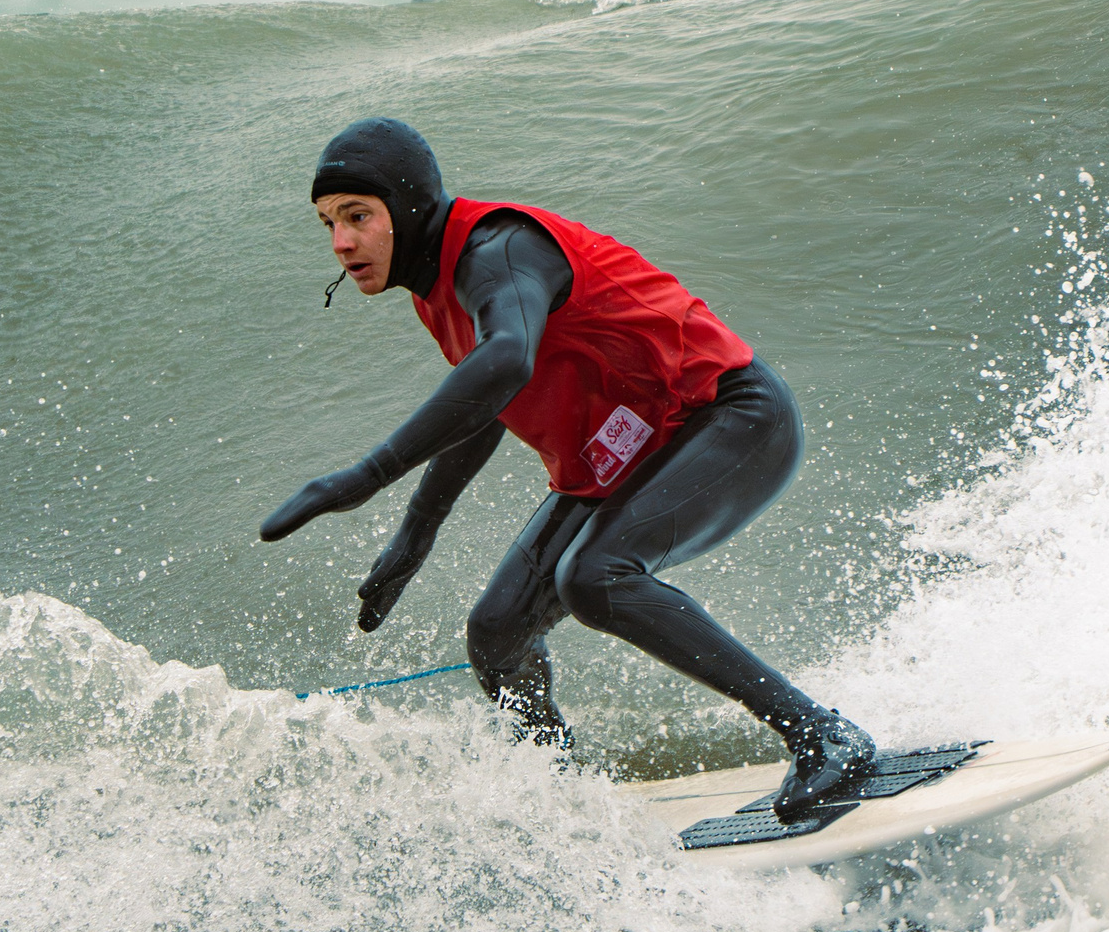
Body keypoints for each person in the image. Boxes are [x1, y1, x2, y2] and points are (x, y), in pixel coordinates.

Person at [258, 117, 876, 819]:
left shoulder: (499, 250)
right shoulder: (439, 292)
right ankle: (560, 797)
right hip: (637, 449)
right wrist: (416, 532)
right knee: (496, 634)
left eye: (358, 216)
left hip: (729, 414)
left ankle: (824, 734)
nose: (341, 242)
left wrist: (365, 477)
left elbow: (506, 360)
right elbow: (487, 397)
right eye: (328, 222)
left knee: (593, 577)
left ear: (404, 207)